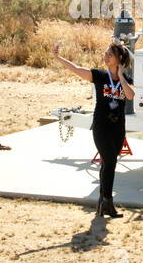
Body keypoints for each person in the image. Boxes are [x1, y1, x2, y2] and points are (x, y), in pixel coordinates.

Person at [55, 40, 134, 219]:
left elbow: (129, 96)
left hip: (118, 129)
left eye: (109, 54)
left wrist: (121, 77)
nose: (105, 56)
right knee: (110, 162)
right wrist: (58, 57)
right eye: (105, 53)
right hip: (101, 127)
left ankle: (102, 202)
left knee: (108, 163)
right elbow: (76, 69)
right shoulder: (99, 76)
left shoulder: (126, 80)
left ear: (119, 58)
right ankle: (107, 201)